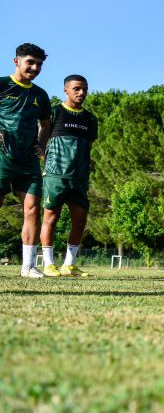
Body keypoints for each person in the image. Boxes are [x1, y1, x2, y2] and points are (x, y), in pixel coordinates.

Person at [1, 43, 52, 278]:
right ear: (16, 61)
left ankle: (28, 266)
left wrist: (41, 145)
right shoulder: (2, 85)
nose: (35, 68)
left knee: (32, 209)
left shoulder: (40, 95)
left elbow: (45, 125)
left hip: (28, 162)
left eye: (39, 64)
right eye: (30, 62)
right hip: (2, 159)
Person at [39, 75, 98, 277]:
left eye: (84, 89)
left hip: (79, 178)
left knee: (80, 221)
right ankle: (49, 264)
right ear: (66, 90)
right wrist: (46, 160)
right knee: (51, 218)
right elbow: (42, 137)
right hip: (56, 176)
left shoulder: (90, 118)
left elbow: (88, 146)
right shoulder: (55, 112)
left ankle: (69, 265)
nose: (81, 93)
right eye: (77, 88)